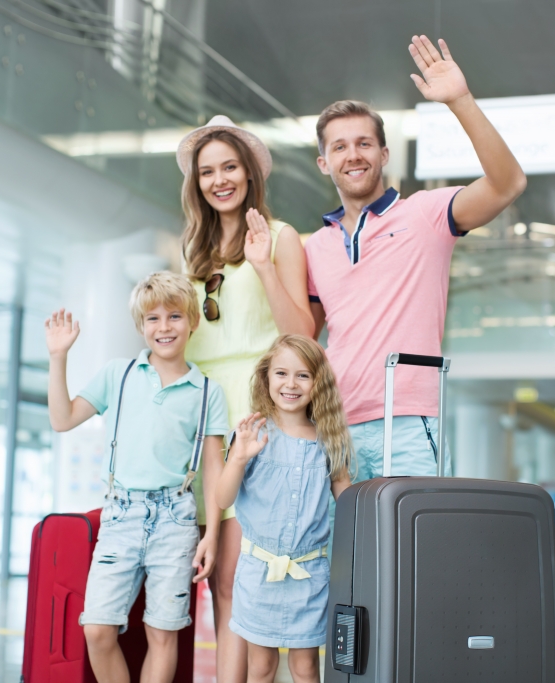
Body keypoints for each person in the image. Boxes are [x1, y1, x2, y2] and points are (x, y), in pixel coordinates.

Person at [306, 35, 527, 484]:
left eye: (365, 144)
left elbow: (508, 184)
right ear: (324, 163)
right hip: (333, 426)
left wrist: (460, 100)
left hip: (406, 421)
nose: (353, 155)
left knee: (408, 551)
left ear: (384, 155)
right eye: (340, 147)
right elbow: (303, 337)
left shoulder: (426, 214)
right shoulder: (315, 246)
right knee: (344, 555)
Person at [176, 115, 314, 682]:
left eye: (229, 166)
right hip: (203, 416)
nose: (218, 180)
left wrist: (261, 264)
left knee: (239, 577)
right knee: (216, 579)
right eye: (207, 171)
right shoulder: (195, 251)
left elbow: (301, 334)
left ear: (250, 173)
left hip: (254, 414)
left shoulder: (280, 237)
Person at [45, 271, 229, 683]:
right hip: (121, 516)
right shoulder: (119, 374)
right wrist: (59, 358)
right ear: (140, 326)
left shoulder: (206, 392)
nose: (164, 327)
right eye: (152, 319)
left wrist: (211, 535)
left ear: (193, 321)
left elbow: (214, 469)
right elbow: (62, 419)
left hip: (177, 520)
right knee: (97, 628)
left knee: (162, 633)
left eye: (174, 316)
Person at [216, 335, 353, 683]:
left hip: (309, 577)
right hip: (259, 575)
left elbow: (348, 499)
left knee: (306, 668)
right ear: (266, 377)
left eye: (303, 375)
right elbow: (222, 499)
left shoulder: (329, 439)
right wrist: (238, 460)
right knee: (260, 668)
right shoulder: (252, 435)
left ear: (318, 382)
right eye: (281, 373)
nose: (290, 384)